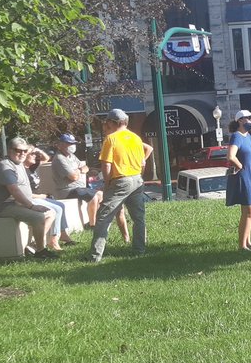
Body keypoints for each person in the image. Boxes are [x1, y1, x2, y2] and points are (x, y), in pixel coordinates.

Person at [89, 108, 153, 264]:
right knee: (139, 218)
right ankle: (139, 250)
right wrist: (139, 174)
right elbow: (143, 161)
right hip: (137, 179)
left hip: (120, 181)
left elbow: (106, 165)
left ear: (112, 122)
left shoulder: (111, 139)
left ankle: (95, 256)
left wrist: (107, 182)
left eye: (107, 122)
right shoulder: (136, 138)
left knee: (103, 218)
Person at [0, 137, 58, 258]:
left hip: (21, 203)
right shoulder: (5, 166)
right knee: (38, 216)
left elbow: (44, 159)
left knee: (51, 213)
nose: (22, 153)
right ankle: (40, 251)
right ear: (10, 150)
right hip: (6, 206)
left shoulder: (20, 163)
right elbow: (14, 190)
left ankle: (34, 246)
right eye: (18, 150)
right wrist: (31, 206)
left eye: (25, 151)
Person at [23, 147, 74, 250]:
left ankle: (62, 235)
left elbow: (46, 158)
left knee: (61, 205)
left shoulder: (31, 167)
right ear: (25, 156)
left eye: (35, 154)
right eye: (32, 154)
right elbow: (25, 194)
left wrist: (37, 150)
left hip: (38, 197)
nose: (35, 156)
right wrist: (42, 196)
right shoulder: (22, 171)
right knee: (57, 209)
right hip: (31, 199)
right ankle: (53, 240)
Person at [51, 133, 102, 228]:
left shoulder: (71, 156)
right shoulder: (59, 159)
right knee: (94, 196)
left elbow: (85, 167)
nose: (72, 146)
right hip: (68, 190)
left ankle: (96, 221)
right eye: (69, 143)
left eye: (73, 143)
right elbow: (73, 177)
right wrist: (79, 170)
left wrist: (79, 170)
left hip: (79, 188)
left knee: (100, 194)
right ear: (61, 145)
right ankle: (92, 225)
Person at [226, 112, 251, 252]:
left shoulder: (249, 136)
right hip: (243, 176)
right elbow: (230, 156)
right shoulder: (236, 136)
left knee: (250, 211)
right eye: (249, 118)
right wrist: (240, 166)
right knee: (249, 211)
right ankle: (242, 246)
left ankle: (248, 241)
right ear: (240, 120)